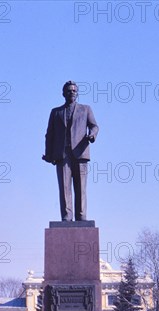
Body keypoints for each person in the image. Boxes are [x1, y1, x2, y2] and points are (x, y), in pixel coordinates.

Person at [42, 80, 99, 221]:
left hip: (80, 153)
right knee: (64, 188)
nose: (71, 92)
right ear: (63, 94)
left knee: (81, 188)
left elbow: (94, 126)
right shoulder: (56, 112)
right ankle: (67, 217)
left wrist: (92, 135)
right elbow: (50, 134)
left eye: (74, 90)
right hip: (62, 155)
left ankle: (81, 217)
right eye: (68, 91)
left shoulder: (85, 109)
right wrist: (49, 154)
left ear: (77, 93)